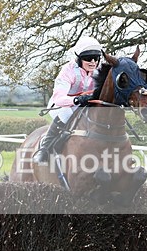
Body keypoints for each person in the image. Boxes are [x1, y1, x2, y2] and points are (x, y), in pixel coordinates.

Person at [32, 36, 104, 165]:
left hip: (86, 105)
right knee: (67, 113)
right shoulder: (68, 71)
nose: (93, 62)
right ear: (79, 58)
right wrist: (77, 99)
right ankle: (44, 149)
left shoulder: (98, 71)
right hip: (63, 105)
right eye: (88, 58)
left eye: (96, 58)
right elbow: (59, 98)